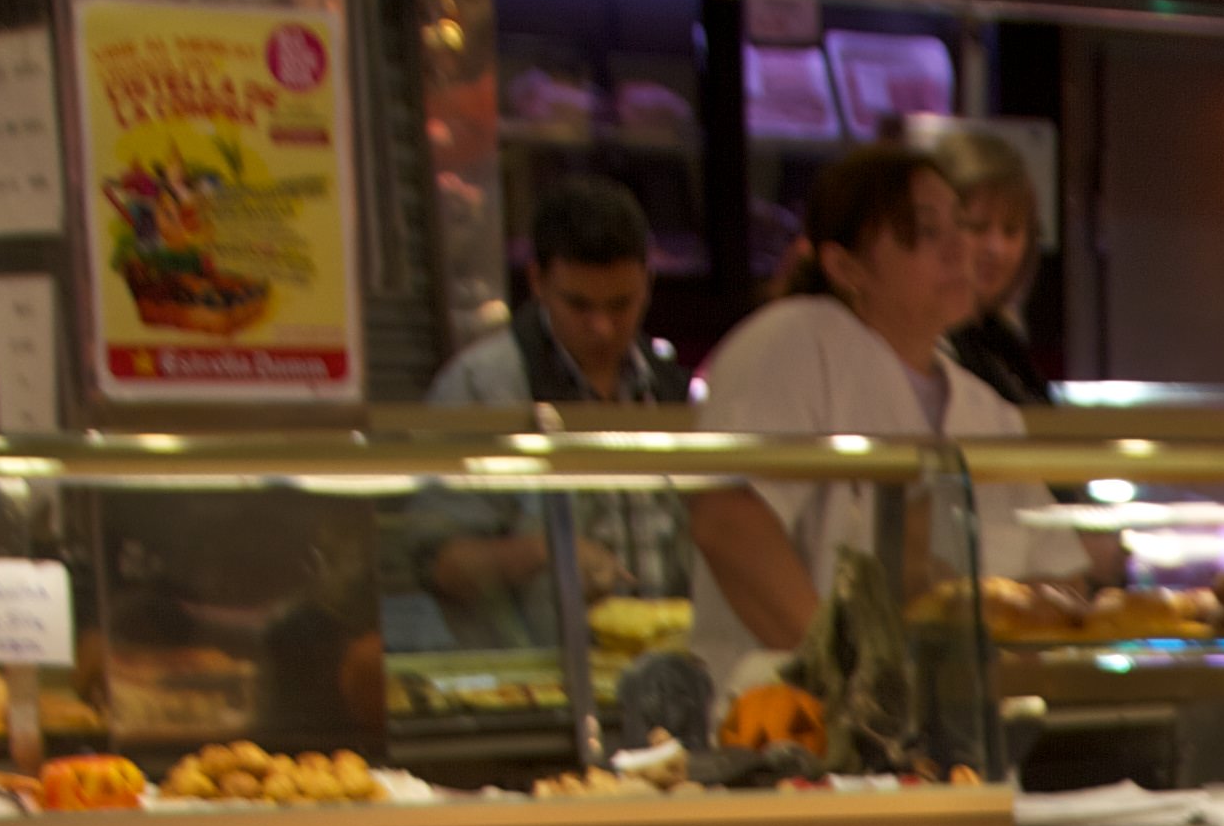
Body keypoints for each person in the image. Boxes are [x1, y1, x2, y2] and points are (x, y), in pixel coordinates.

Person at [680, 141, 1018, 687]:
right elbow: (728, 523)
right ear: (844, 265)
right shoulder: (791, 342)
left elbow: (1051, 570)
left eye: (962, 224)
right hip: (780, 712)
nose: (962, 248)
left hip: (934, 714)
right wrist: (845, 677)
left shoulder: (983, 404)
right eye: (926, 231)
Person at [391, 179, 691, 655]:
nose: (602, 327)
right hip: (533, 680)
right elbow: (438, 564)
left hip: (667, 672)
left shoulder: (668, 390)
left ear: (648, 284)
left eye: (621, 304)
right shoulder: (479, 389)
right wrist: (545, 551)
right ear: (537, 282)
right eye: (579, 305)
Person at [933, 126, 1053, 414]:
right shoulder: (925, 347)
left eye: (1011, 231)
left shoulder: (1004, 341)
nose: (996, 248)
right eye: (977, 227)